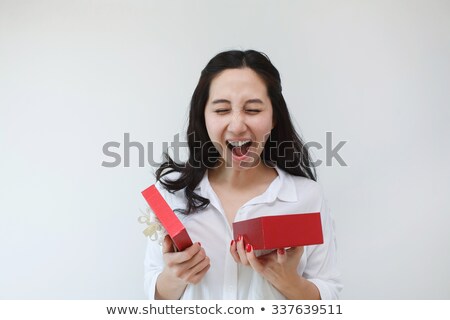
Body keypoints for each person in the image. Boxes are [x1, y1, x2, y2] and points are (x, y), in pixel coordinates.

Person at [144, 50, 342, 299]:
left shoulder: (306, 197)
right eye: (221, 110)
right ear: (202, 117)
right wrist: (173, 278)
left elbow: (330, 296)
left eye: (253, 110)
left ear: (274, 118)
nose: (237, 126)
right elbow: (154, 294)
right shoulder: (171, 193)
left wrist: (288, 281)